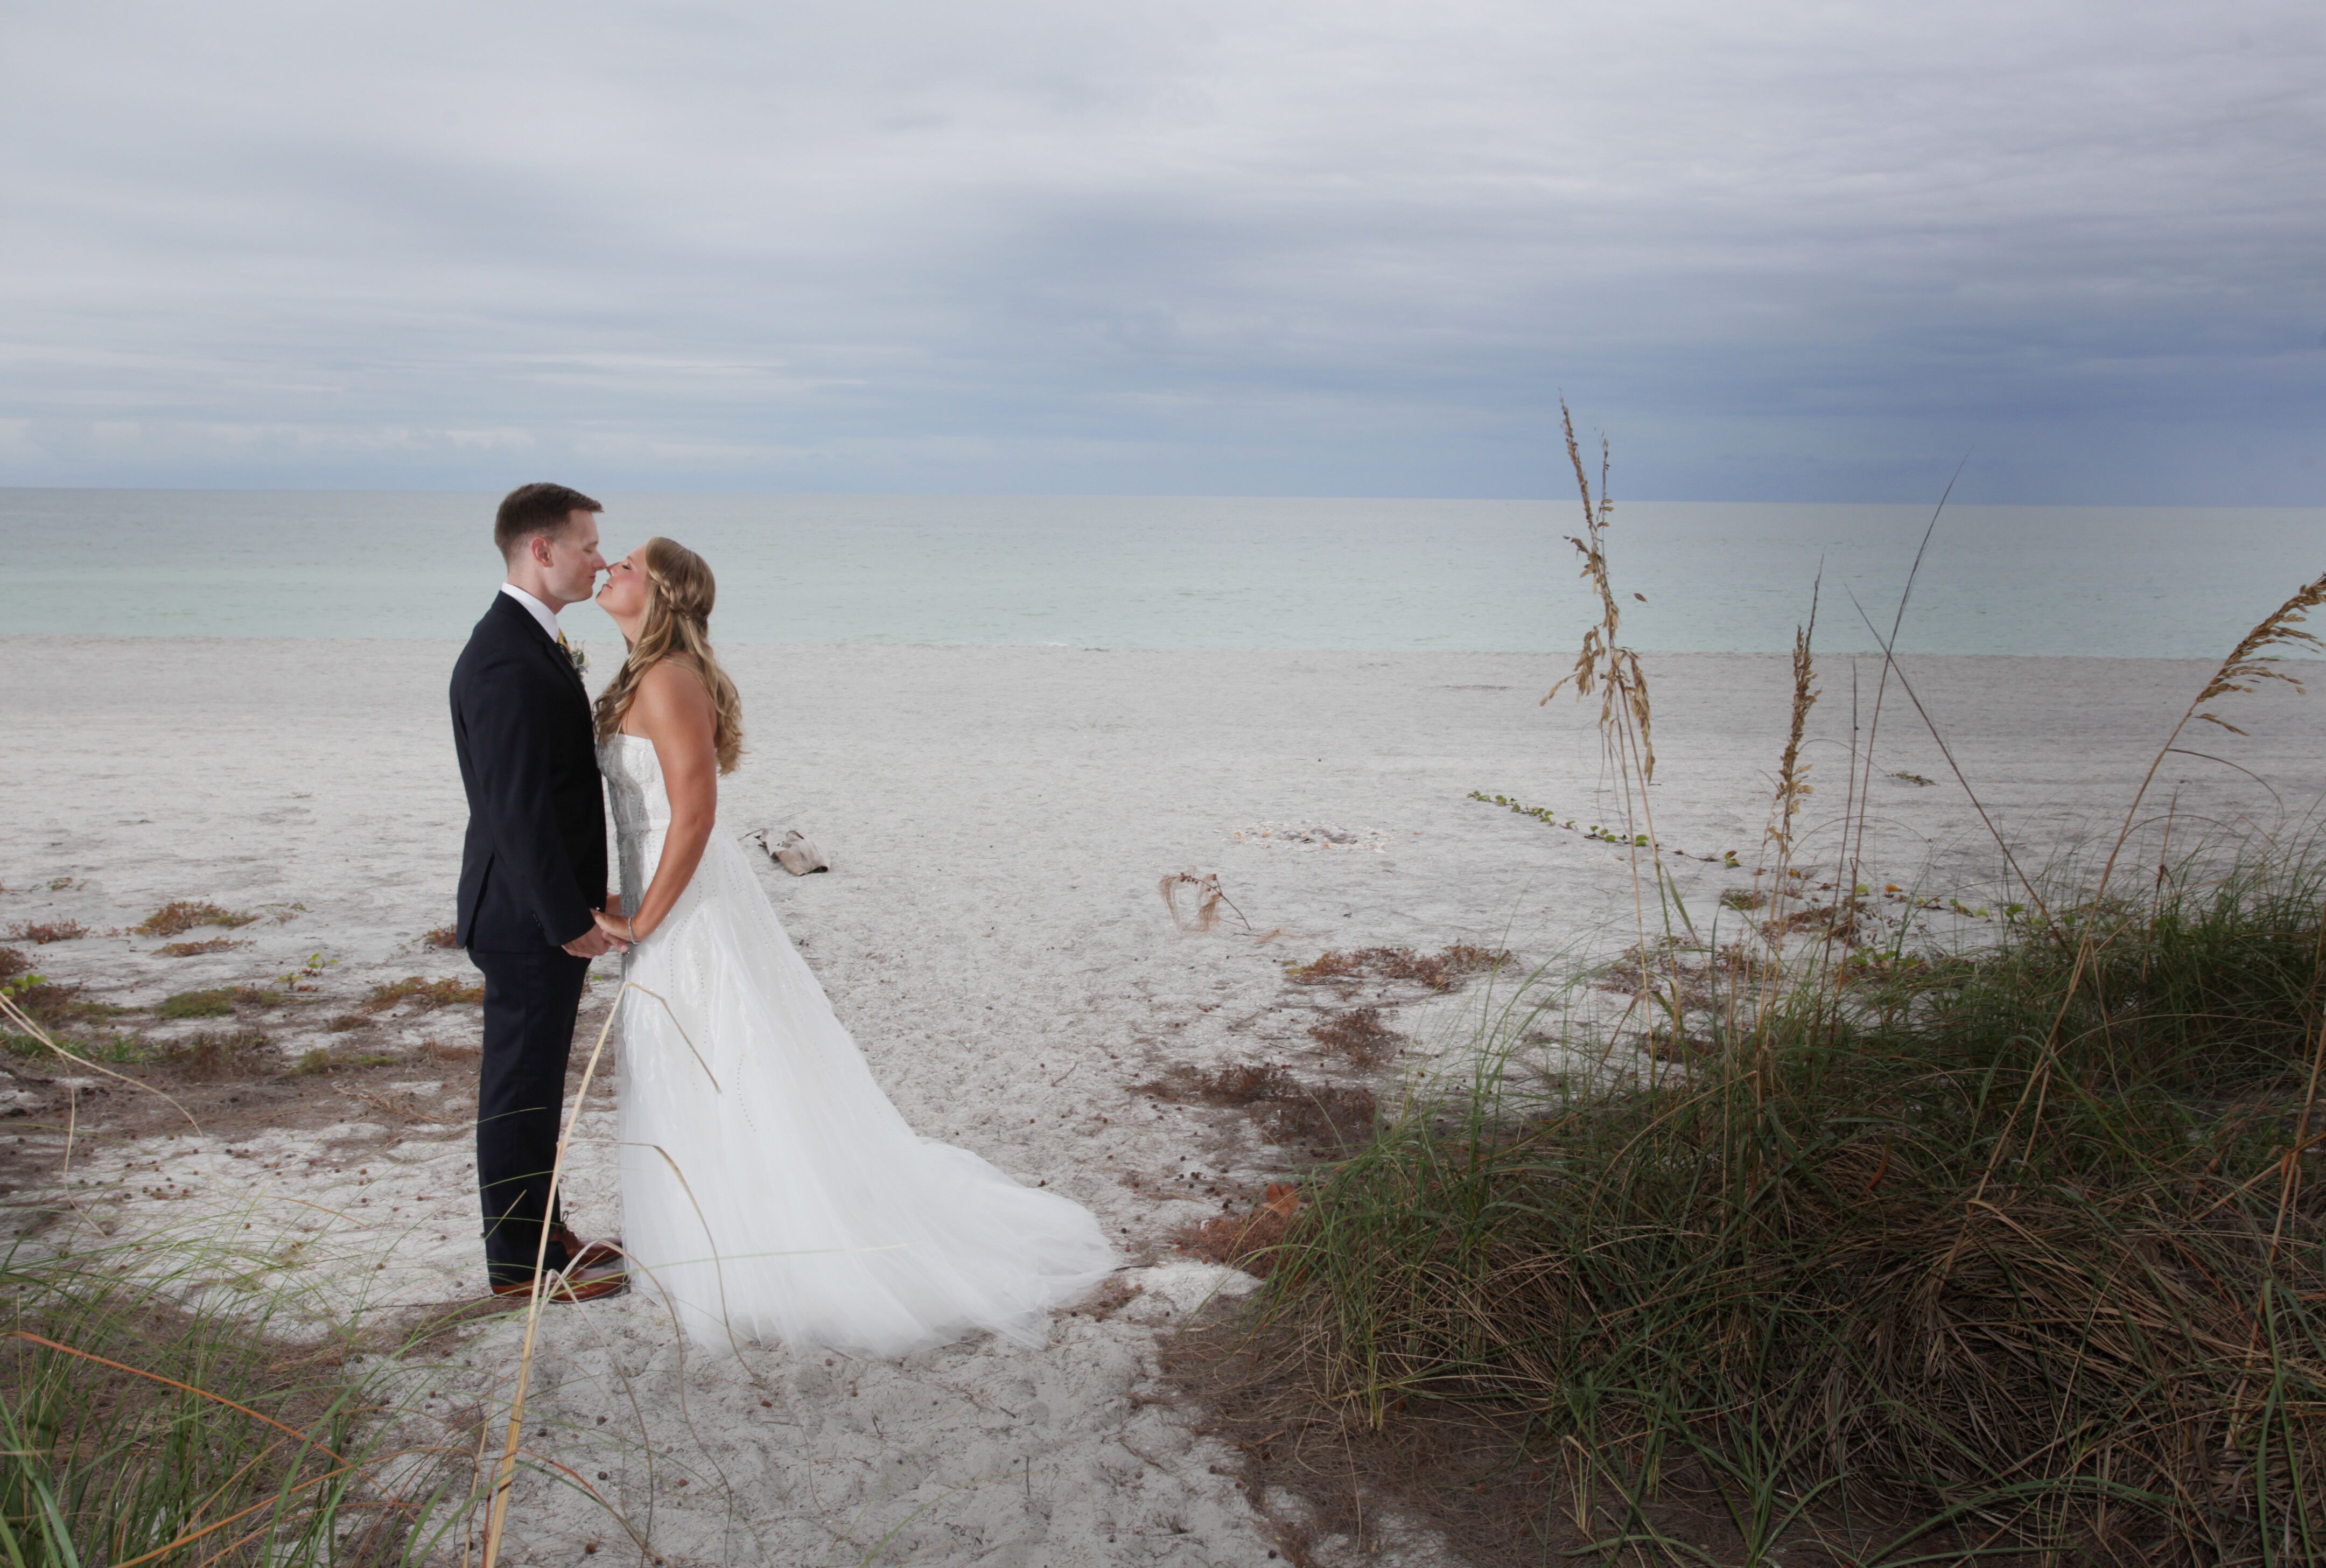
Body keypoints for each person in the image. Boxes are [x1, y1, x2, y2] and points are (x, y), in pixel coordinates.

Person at [590, 536, 1115, 1354]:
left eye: (627, 564)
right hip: (664, 890)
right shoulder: (638, 674)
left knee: (722, 1054)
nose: (609, 570)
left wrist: (644, 918)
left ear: (660, 592)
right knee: (685, 1054)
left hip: (690, 907)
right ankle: (711, 1234)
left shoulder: (668, 680)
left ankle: (762, 1242)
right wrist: (629, 898)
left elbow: (694, 816)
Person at [447, 482, 630, 1303]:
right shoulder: (501, 657)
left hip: (535, 909)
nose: (600, 558)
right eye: (589, 544)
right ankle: (520, 1269)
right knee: (520, 1088)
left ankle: (542, 1230)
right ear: (542, 550)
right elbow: (513, 808)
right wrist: (566, 918)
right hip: (526, 918)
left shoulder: (533, 640)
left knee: (532, 1085)